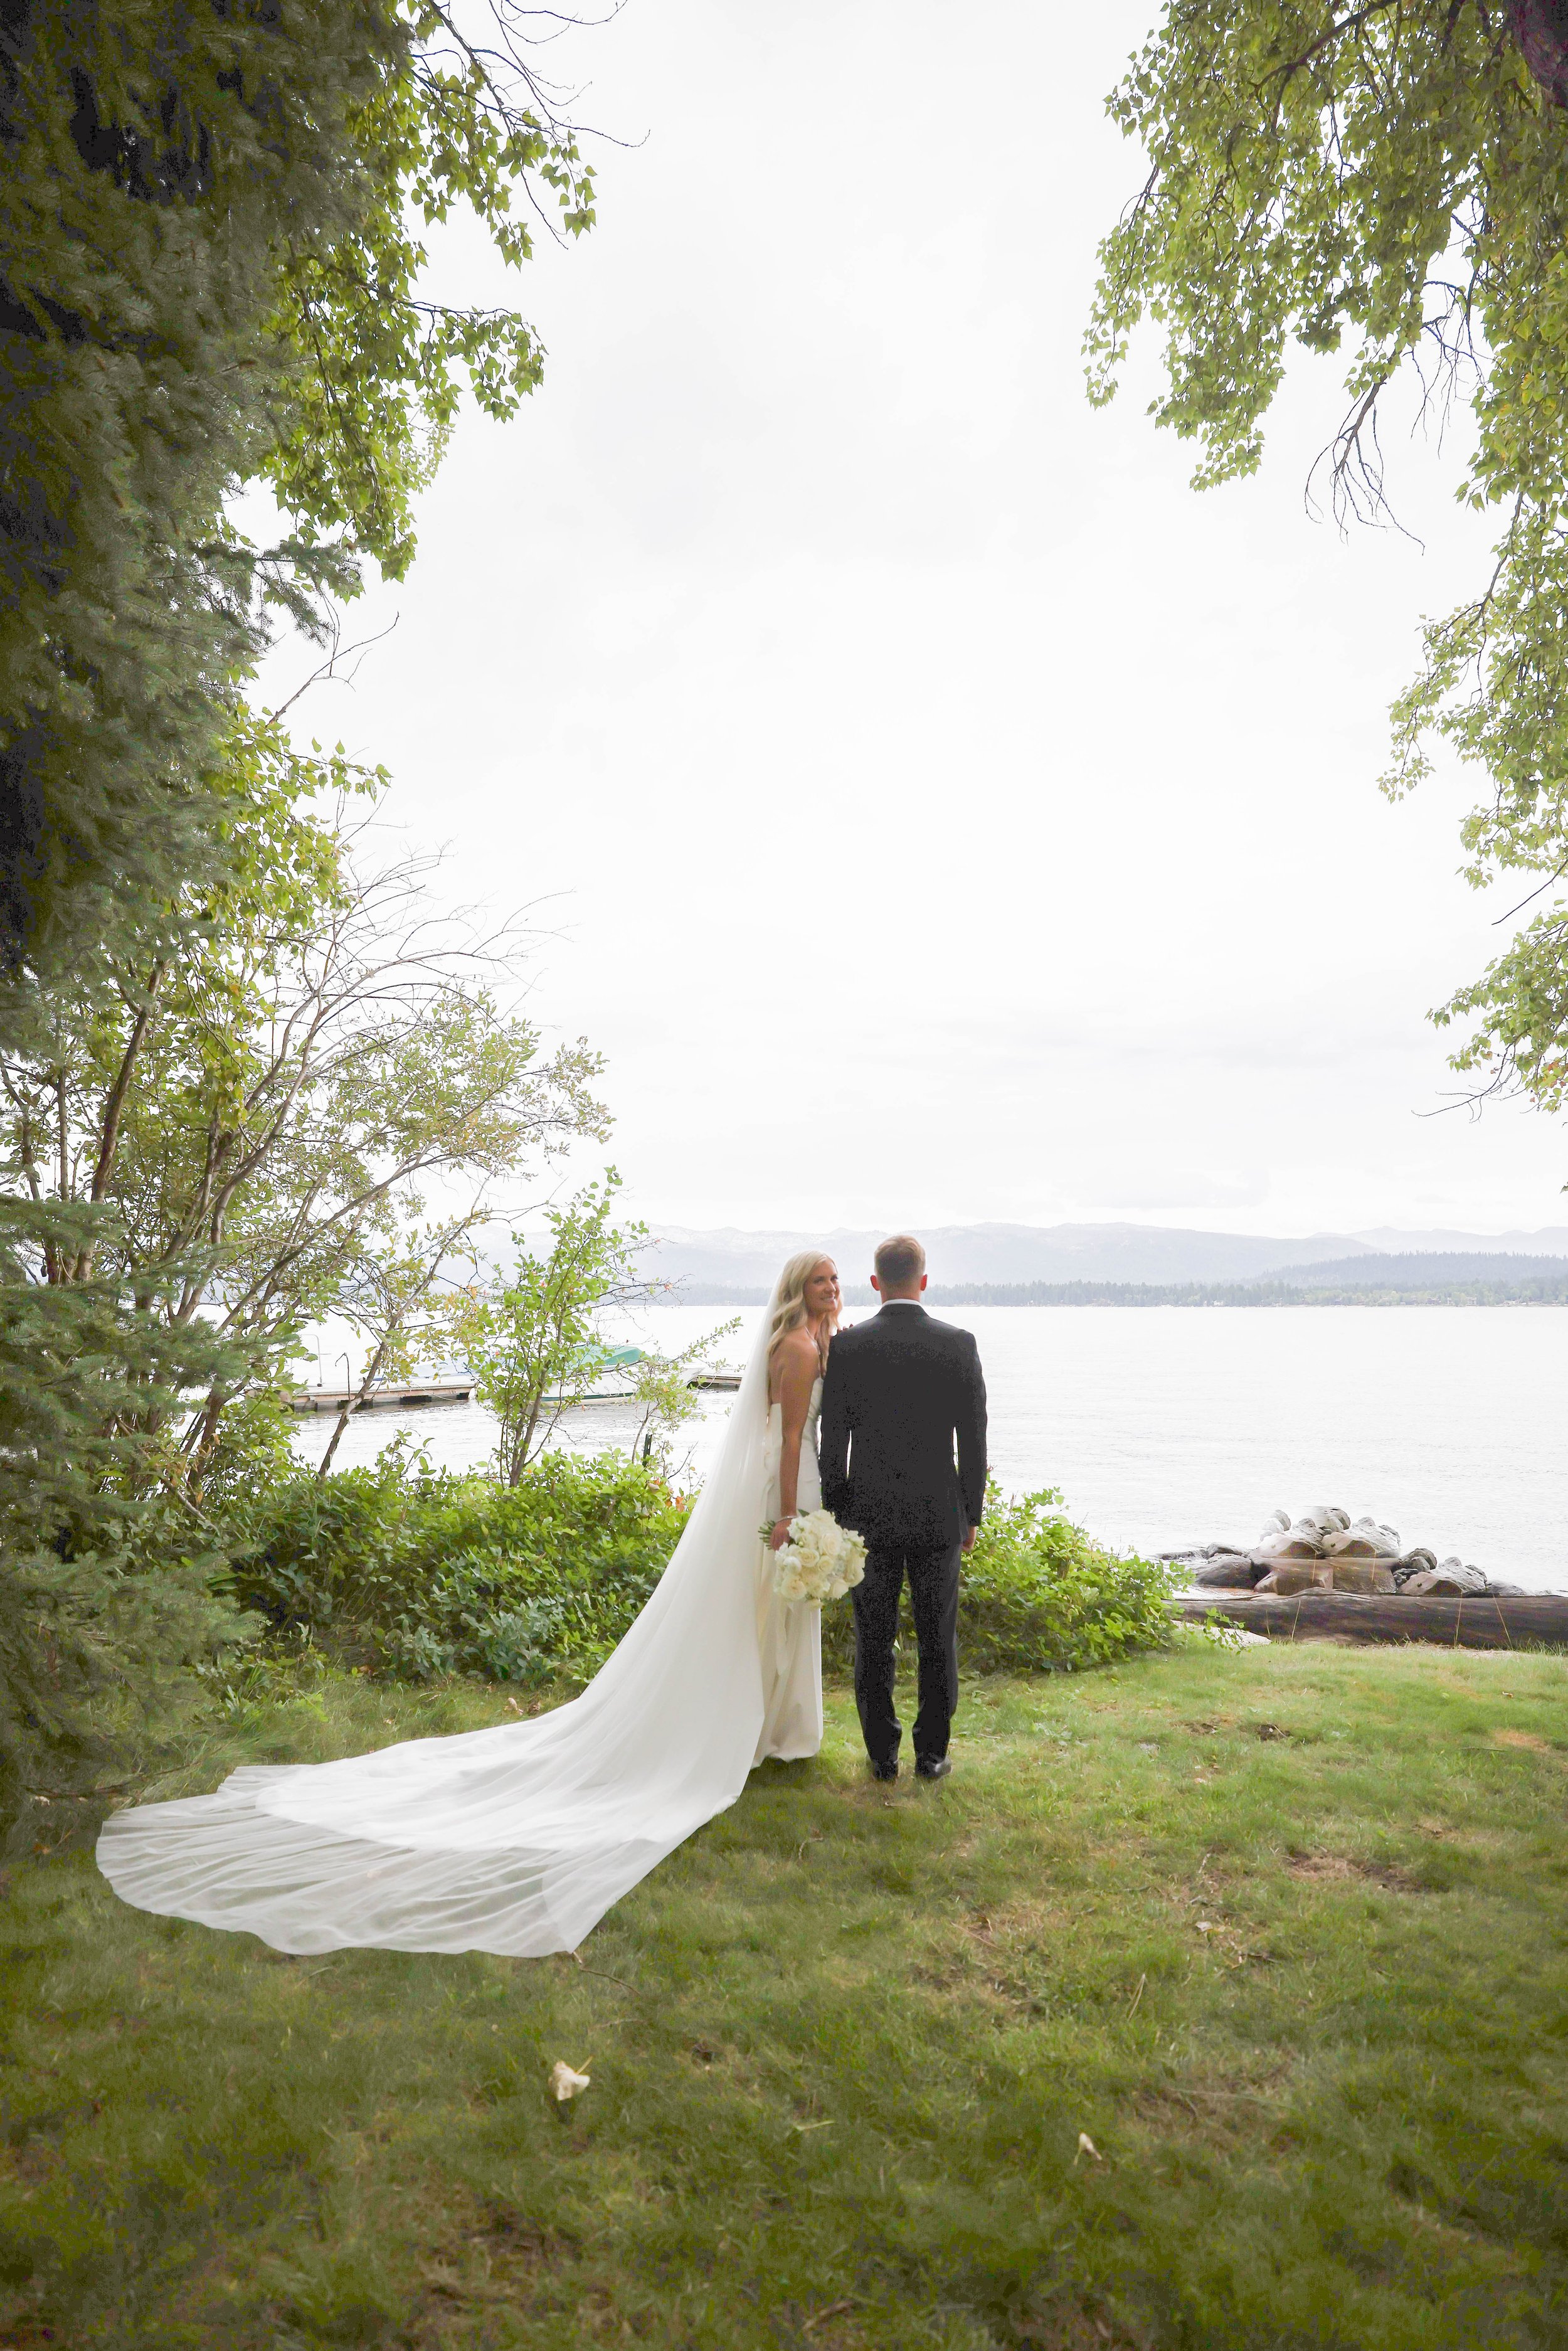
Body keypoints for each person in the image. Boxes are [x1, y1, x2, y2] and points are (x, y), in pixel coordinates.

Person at [95, 1253, 841, 1959]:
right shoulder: (802, 1350)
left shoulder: (794, 1340)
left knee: (768, 1608)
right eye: (821, 1281)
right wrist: (787, 1514)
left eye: (836, 1280)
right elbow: (786, 1444)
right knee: (775, 1606)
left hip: (774, 1486)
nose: (831, 1290)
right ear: (796, 1288)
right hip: (783, 1488)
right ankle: (770, 1726)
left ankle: (768, 1723)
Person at [818, 1234, 987, 1782]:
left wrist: (837, 1512)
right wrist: (973, 1514)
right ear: (924, 1280)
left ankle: (881, 1754)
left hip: (868, 1518)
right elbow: (974, 1441)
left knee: (874, 1637)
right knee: (939, 1637)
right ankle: (932, 1754)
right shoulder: (958, 1344)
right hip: (939, 1515)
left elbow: (832, 1443)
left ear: (874, 1284)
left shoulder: (848, 1348)